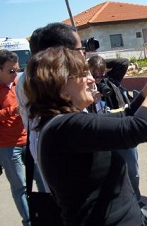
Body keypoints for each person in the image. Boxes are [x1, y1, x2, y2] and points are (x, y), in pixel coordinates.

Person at [24, 45, 147, 226]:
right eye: (82, 74)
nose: (92, 79)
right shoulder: (66, 126)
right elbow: (141, 128)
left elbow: (126, 116)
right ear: (60, 84)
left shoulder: (64, 123)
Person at [16, 22, 91, 193]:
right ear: (62, 52)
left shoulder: (34, 76)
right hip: (62, 152)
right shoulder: (42, 79)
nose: (83, 53)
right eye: (79, 49)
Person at [87, 55, 145, 206]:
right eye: (95, 75)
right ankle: (121, 204)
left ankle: (137, 201)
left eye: (101, 74)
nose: (99, 79)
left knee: (133, 171)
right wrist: (93, 99)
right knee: (112, 174)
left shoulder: (111, 79)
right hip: (105, 136)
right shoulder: (86, 89)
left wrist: (101, 62)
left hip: (123, 130)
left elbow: (124, 62)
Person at [0, 49, 31, 226]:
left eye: (18, 69)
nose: (16, 74)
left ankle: (46, 217)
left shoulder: (20, 84)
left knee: (42, 180)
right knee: (20, 187)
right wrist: (12, 111)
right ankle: (30, 223)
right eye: (11, 70)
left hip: (29, 140)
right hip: (7, 146)